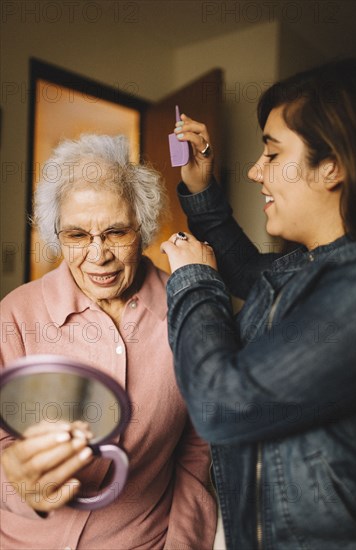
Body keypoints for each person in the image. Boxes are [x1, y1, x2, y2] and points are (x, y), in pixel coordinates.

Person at [160, 58, 356, 549]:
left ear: (332, 165)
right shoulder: (310, 267)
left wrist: (193, 282)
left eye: (272, 155)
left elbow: (221, 404)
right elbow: (250, 272)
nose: (255, 171)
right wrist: (199, 184)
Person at [0, 134, 217, 549]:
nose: (98, 255)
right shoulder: (14, 315)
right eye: (77, 236)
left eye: (116, 232)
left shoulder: (188, 310)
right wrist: (16, 483)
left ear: (144, 226)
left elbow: (198, 448)